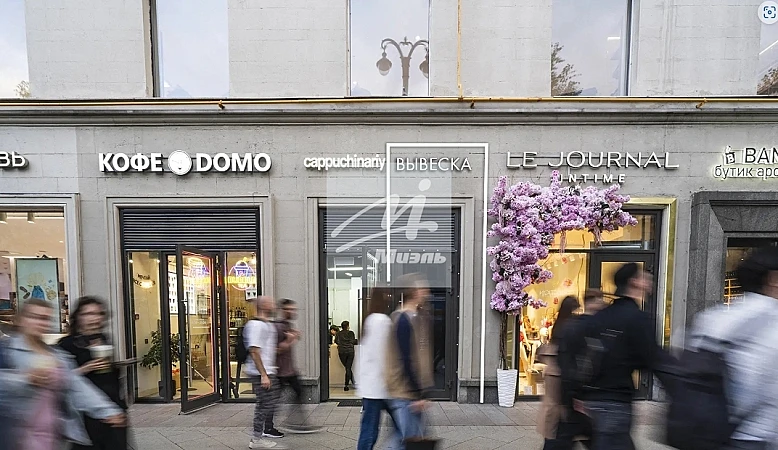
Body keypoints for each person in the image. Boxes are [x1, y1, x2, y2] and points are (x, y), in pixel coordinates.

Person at [0, 298, 126, 450]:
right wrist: (25, 379)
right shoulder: (6, 351)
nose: (40, 323)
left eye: (45, 318)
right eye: (34, 317)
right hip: (14, 436)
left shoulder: (56, 355)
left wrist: (107, 410)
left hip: (51, 436)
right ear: (21, 320)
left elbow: (75, 386)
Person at [686, 247, 778, 450]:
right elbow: (767, 391)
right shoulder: (774, 322)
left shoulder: (711, 318)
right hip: (754, 436)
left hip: (706, 433)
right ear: (773, 279)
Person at [571, 265, 660, 450]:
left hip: (592, 399)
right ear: (634, 282)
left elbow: (578, 352)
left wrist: (577, 394)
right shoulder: (638, 318)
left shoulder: (600, 316)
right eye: (643, 277)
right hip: (615, 402)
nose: (648, 281)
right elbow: (651, 359)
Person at [58, 296, 129, 450]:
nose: (94, 318)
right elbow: (61, 379)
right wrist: (86, 368)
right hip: (86, 412)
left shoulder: (104, 339)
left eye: (98, 314)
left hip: (112, 407)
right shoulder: (66, 344)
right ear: (78, 317)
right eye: (88, 314)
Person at [385, 273, 435, 448]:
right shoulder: (403, 320)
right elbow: (406, 359)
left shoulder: (414, 317)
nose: (426, 292)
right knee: (408, 441)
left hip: (407, 393)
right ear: (413, 292)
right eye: (423, 288)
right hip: (405, 393)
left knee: (402, 439)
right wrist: (417, 394)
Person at [357, 286, 400, 450]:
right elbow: (383, 354)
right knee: (372, 430)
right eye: (387, 295)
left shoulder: (369, 320)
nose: (389, 298)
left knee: (370, 428)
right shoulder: (382, 321)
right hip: (380, 386)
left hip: (372, 385)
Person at [537, 296, 582, 450]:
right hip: (561, 389)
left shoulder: (558, 326)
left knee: (553, 433)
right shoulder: (569, 328)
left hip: (554, 390)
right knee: (558, 433)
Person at [273, 299, 321, 434]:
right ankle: (267, 424)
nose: (292, 312)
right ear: (282, 310)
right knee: (274, 400)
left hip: (289, 370)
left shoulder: (287, 325)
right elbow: (275, 350)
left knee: (298, 392)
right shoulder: (278, 327)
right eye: (289, 309)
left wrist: (294, 336)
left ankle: (296, 423)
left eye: (293, 309)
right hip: (280, 371)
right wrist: (290, 340)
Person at [244, 297, 285, 449]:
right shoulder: (256, 325)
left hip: (267, 371)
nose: (274, 305)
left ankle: (261, 434)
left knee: (269, 403)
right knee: (264, 405)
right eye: (271, 303)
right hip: (261, 373)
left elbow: (268, 349)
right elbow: (254, 351)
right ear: (264, 306)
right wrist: (263, 375)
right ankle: (257, 438)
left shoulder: (267, 324)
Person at [335, 320, 357, 391]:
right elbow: (353, 341)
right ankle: (348, 384)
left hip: (342, 352)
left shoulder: (338, 333)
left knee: (347, 368)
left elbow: (336, 341)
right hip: (350, 351)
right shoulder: (351, 333)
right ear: (347, 326)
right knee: (348, 368)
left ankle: (351, 383)